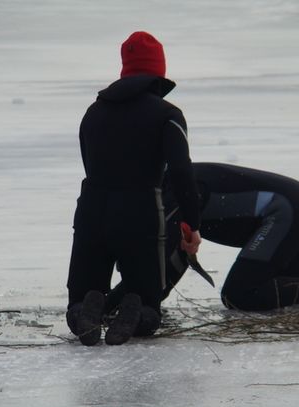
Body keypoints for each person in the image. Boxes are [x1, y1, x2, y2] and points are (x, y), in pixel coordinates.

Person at [107, 162, 299, 321]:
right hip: (295, 205)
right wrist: (140, 303)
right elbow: (176, 259)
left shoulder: (169, 194)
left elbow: (159, 264)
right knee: (278, 286)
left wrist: (119, 304)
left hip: (285, 210)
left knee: (240, 295)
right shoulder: (168, 186)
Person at [66, 31, 201, 346]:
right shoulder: (168, 115)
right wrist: (191, 224)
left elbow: (89, 160)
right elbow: (181, 171)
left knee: (79, 300)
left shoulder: (93, 112)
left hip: (91, 209)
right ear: (159, 70)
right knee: (148, 305)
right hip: (140, 212)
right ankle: (135, 311)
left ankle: (87, 309)